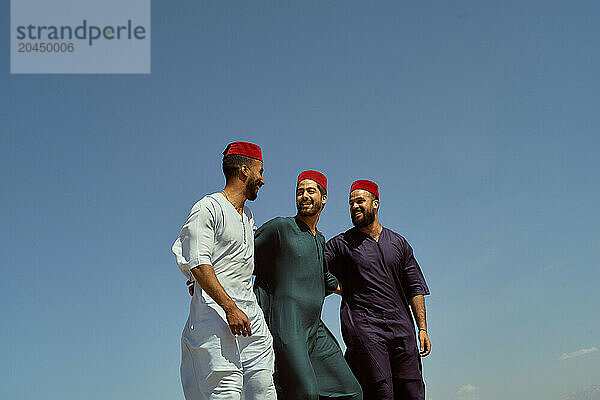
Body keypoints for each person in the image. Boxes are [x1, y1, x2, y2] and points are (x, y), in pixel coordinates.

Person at [172, 141, 277, 400]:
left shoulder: (248, 216)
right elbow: (198, 262)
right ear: (244, 171)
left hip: (250, 320)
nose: (262, 180)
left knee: (264, 389)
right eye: (260, 172)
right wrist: (229, 307)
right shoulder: (208, 208)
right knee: (225, 393)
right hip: (215, 320)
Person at [253, 170, 362, 400]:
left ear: (323, 198)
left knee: (351, 391)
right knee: (305, 394)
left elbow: (325, 278)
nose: (303, 196)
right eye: (299, 192)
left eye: (310, 191)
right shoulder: (280, 228)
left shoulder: (319, 239)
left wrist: (353, 290)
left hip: (315, 329)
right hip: (287, 326)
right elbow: (241, 250)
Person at [324, 179, 431, 400]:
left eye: (360, 201)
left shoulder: (399, 243)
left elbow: (414, 286)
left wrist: (422, 328)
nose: (354, 207)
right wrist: (339, 287)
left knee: (413, 391)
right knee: (381, 392)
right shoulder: (340, 244)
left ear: (376, 204)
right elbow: (313, 267)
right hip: (366, 329)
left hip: (402, 329)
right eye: (351, 204)